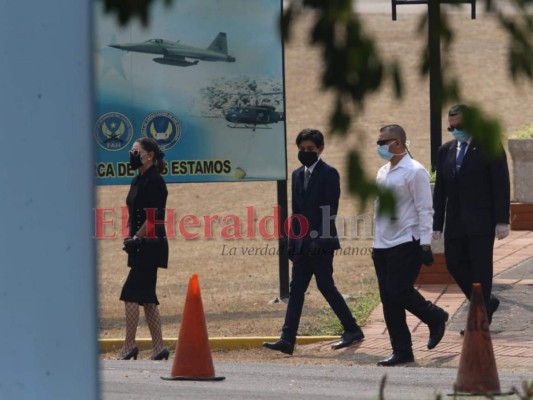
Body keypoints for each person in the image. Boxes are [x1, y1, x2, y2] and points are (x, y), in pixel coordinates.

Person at [262, 128, 364, 355]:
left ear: (320, 149)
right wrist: (292, 241)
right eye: (302, 149)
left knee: (325, 286)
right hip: (301, 245)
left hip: (321, 244)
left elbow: (331, 209)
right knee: (296, 289)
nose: (305, 152)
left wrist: (319, 239)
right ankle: (287, 340)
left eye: (310, 149)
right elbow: (296, 211)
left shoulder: (329, 173)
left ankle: (352, 329)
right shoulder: (297, 175)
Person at [372, 124, 449, 366]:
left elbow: (425, 209)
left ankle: (434, 316)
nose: (379, 146)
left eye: (383, 142)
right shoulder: (383, 172)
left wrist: (425, 244)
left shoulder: (415, 171)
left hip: (407, 242)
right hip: (382, 244)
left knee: (398, 290)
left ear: (397, 142)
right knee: (389, 299)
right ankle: (402, 351)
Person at [433, 104, 510, 335]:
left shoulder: (489, 146)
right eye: (452, 127)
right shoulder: (445, 150)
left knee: (481, 270)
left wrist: (501, 220)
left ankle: (479, 320)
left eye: (461, 126)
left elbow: (500, 184)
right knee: (454, 264)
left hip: (482, 222)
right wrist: (437, 224)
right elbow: (440, 191)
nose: (456, 130)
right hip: (455, 222)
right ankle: (486, 303)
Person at [118, 137, 170, 361]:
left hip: (150, 244)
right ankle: (158, 348)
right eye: (132, 151)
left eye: (136, 151)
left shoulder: (156, 181)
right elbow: (134, 213)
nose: (132, 155)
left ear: (149, 155)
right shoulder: (137, 179)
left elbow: (153, 217)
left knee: (130, 294)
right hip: (139, 245)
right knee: (147, 298)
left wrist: (137, 238)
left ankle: (129, 346)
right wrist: (130, 237)